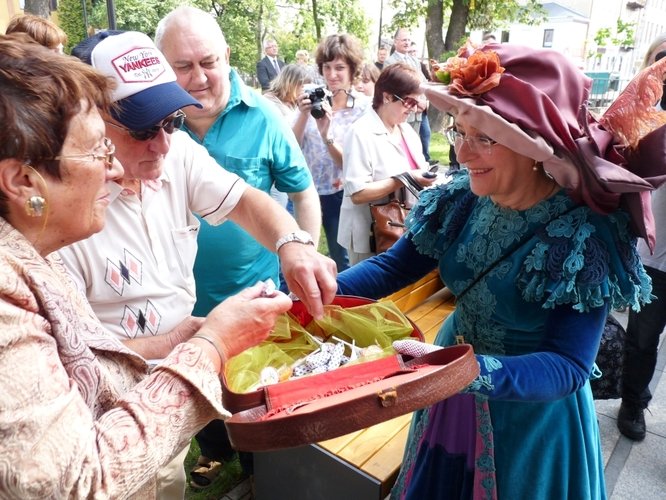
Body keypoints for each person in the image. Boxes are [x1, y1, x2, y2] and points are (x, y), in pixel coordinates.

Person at [336, 42, 666, 498]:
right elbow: (392, 269)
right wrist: (312, 290)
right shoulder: (462, 199)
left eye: (484, 138)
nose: (464, 154)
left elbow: (568, 366)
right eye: (460, 131)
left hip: (529, 421)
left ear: (535, 147)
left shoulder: (583, 235)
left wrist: (463, 372)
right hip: (448, 387)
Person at [0, 33, 293, 498]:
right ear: (22, 180)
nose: (113, 170)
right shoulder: (12, 288)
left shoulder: (29, 253)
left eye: (173, 122)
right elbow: (77, 481)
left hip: (153, 420)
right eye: (99, 149)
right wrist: (211, 347)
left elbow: (83, 359)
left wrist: (181, 338)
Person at [59, 28, 336, 494]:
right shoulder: (63, 209)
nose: (163, 145)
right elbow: (73, 354)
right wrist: (196, 339)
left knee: (167, 483)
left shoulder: (177, 152)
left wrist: (294, 243)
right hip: (102, 415)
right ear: (89, 120)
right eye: (143, 129)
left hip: (174, 391)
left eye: (170, 122)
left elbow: (247, 201)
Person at [154, 6, 327, 487]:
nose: (198, 78)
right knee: (198, 393)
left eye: (207, 61)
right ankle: (211, 451)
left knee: (259, 396)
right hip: (178, 307)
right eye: (182, 66)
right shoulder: (150, 124)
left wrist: (304, 248)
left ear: (227, 55)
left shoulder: (264, 117)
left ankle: (260, 471)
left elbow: (301, 191)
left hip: (253, 297)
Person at [617, 34, 666, 441]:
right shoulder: (637, 113)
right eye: (661, 59)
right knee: (642, 338)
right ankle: (633, 401)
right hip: (651, 253)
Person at [339, 63, 436, 264]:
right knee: (371, 294)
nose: (414, 108)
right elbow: (357, 193)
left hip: (404, 229)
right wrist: (404, 179)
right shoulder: (360, 133)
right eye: (408, 101)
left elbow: (419, 168)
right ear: (386, 96)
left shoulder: (406, 130)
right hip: (370, 237)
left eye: (417, 102)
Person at [293, 33, 370, 272]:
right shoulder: (316, 100)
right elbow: (292, 147)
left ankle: (342, 303)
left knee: (342, 259)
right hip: (308, 190)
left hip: (341, 192)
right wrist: (303, 115)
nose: (332, 75)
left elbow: (352, 163)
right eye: (327, 67)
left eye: (339, 68)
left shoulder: (362, 108)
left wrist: (327, 136)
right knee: (303, 254)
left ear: (352, 69)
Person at [385, 28, 431, 163]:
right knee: (400, 146)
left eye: (409, 40)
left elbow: (424, 83)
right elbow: (395, 88)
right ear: (396, 42)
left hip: (418, 113)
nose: (407, 43)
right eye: (404, 40)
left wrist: (425, 101)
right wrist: (415, 102)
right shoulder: (390, 62)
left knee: (414, 145)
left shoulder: (415, 61)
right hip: (402, 110)